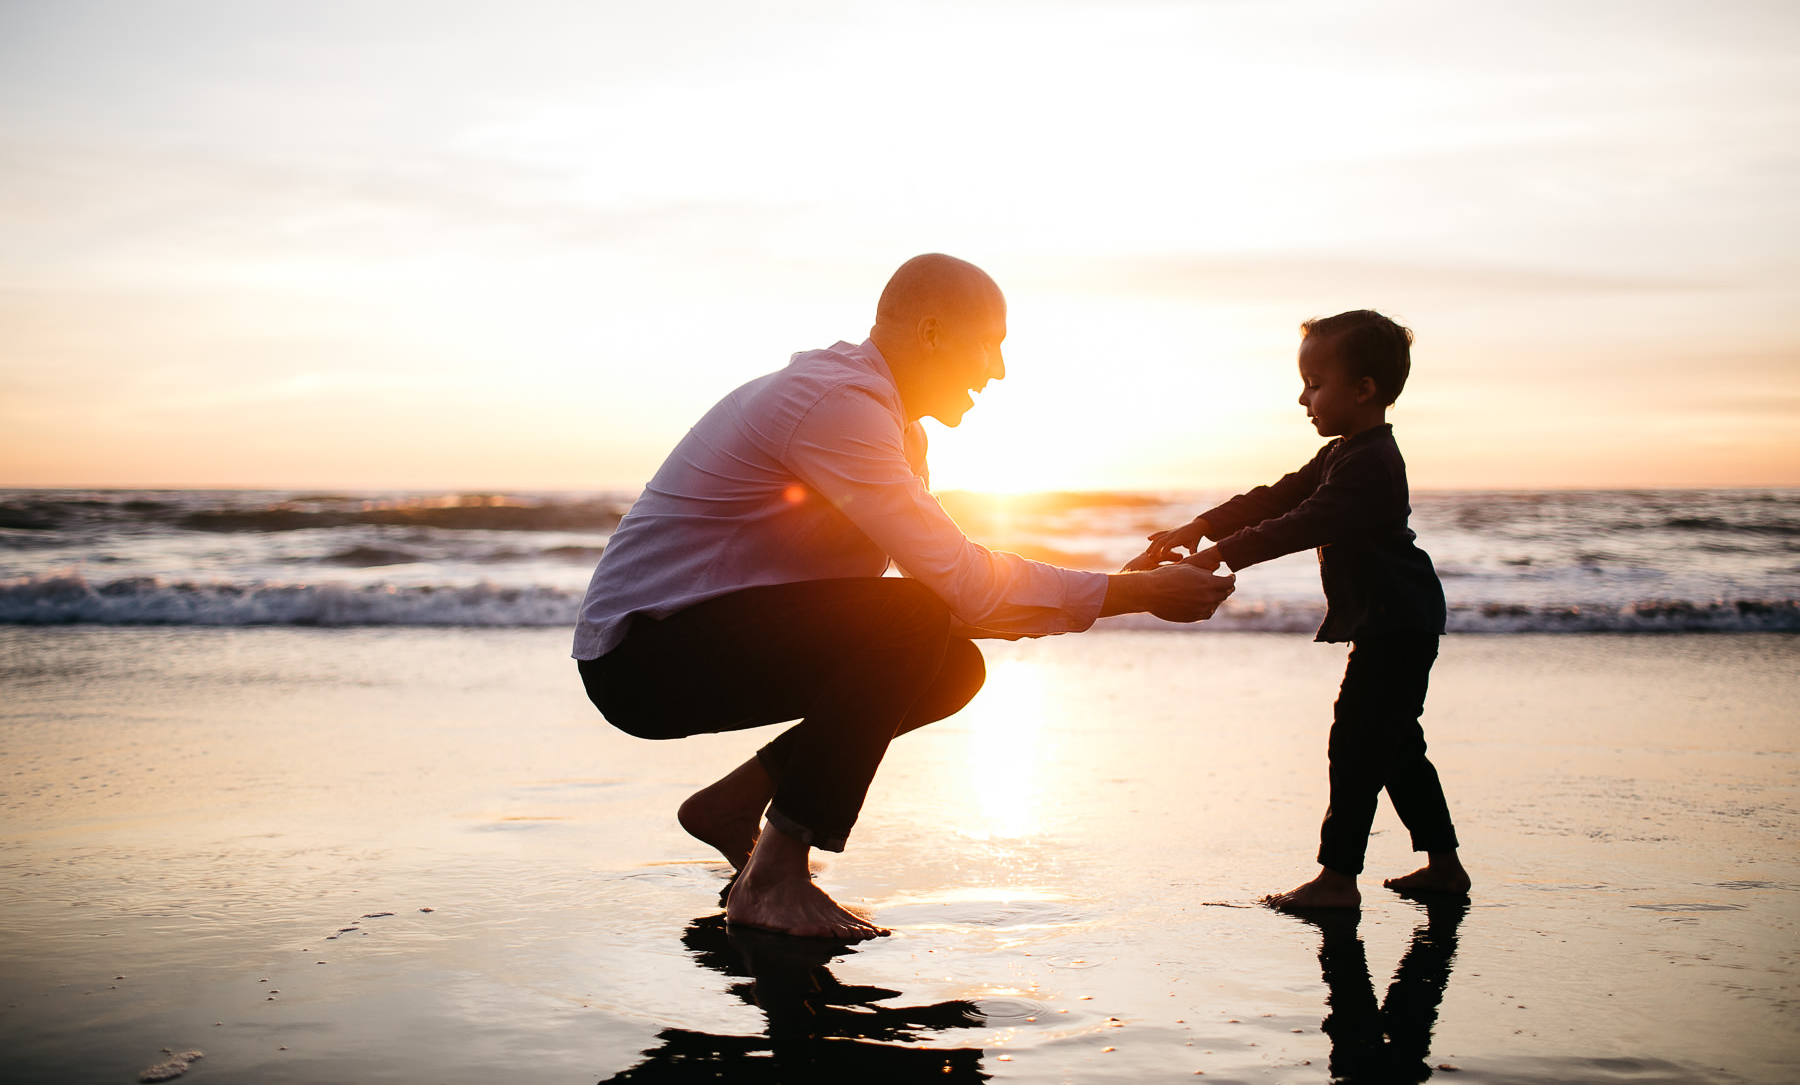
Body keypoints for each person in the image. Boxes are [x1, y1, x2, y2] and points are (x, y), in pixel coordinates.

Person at [575, 253, 1235, 940]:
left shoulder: (893, 425)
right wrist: (1137, 592)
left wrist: (1120, 591)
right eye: (989, 344)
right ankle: (774, 879)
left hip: (694, 641)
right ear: (931, 334)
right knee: (913, 621)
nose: (998, 370)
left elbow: (952, 598)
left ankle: (733, 806)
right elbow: (960, 588)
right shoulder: (838, 405)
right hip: (642, 656)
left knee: (950, 666)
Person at [1129, 309, 1468, 909]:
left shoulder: (1371, 464)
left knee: (1357, 743)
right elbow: (1275, 498)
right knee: (1395, 746)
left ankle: (1338, 880)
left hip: (1399, 623)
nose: (1302, 398)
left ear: (1363, 390)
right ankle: (1444, 868)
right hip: (1392, 620)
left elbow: (1300, 524)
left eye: (1314, 384)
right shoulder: (1343, 453)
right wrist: (1199, 526)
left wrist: (1215, 556)